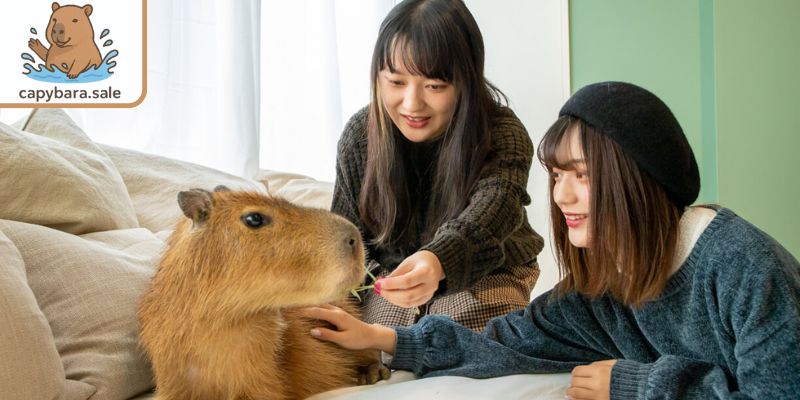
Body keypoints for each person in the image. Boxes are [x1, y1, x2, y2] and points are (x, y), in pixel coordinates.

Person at [308, 81, 800, 399]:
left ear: (637, 182)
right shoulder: (602, 288)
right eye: (556, 175)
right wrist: (387, 340)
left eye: (581, 176)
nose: (561, 196)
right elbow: (504, 344)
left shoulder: (744, 267)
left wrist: (642, 384)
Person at [332, 0, 544, 331]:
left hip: (487, 269)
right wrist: (382, 283)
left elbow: (493, 211)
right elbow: (347, 237)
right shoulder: (360, 136)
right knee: (383, 337)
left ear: (466, 82)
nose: (412, 104)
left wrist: (438, 260)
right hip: (390, 274)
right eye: (396, 82)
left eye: (434, 86)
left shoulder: (502, 133)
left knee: (464, 329)